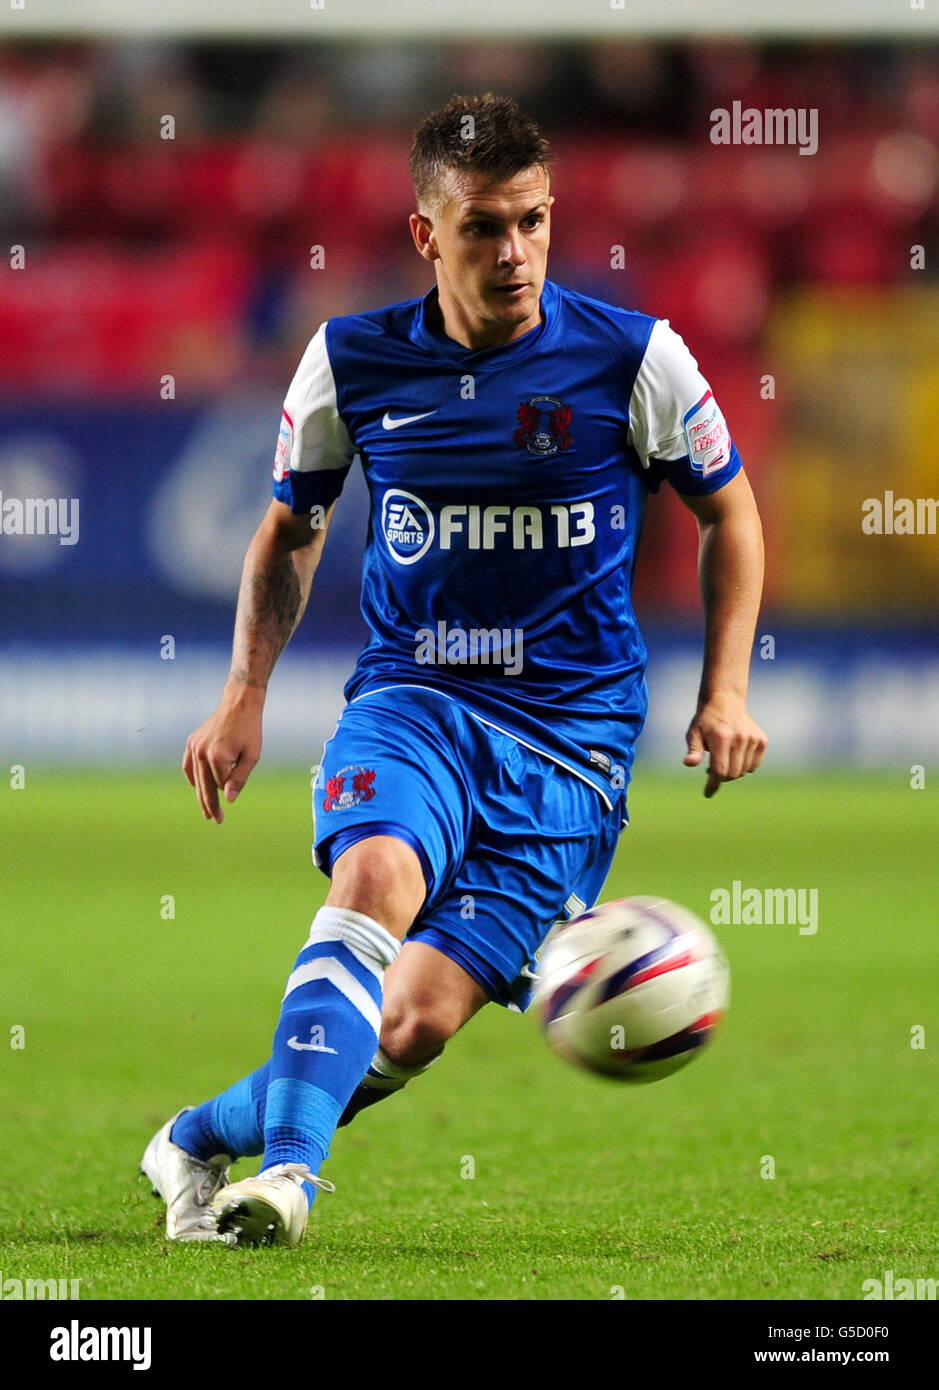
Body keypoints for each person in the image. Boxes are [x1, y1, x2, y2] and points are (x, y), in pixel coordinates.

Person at [141, 92, 768, 1248]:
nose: (515, 250)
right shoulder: (350, 361)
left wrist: (726, 688)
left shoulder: (637, 359)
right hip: (413, 700)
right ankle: (287, 1180)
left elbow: (731, 515)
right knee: (375, 875)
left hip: (569, 744)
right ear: (427, 234)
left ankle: (192, 1135)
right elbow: (289, 531)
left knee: (415, 1021)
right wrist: (243, 695)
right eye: (484, 226)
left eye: (533, 221)